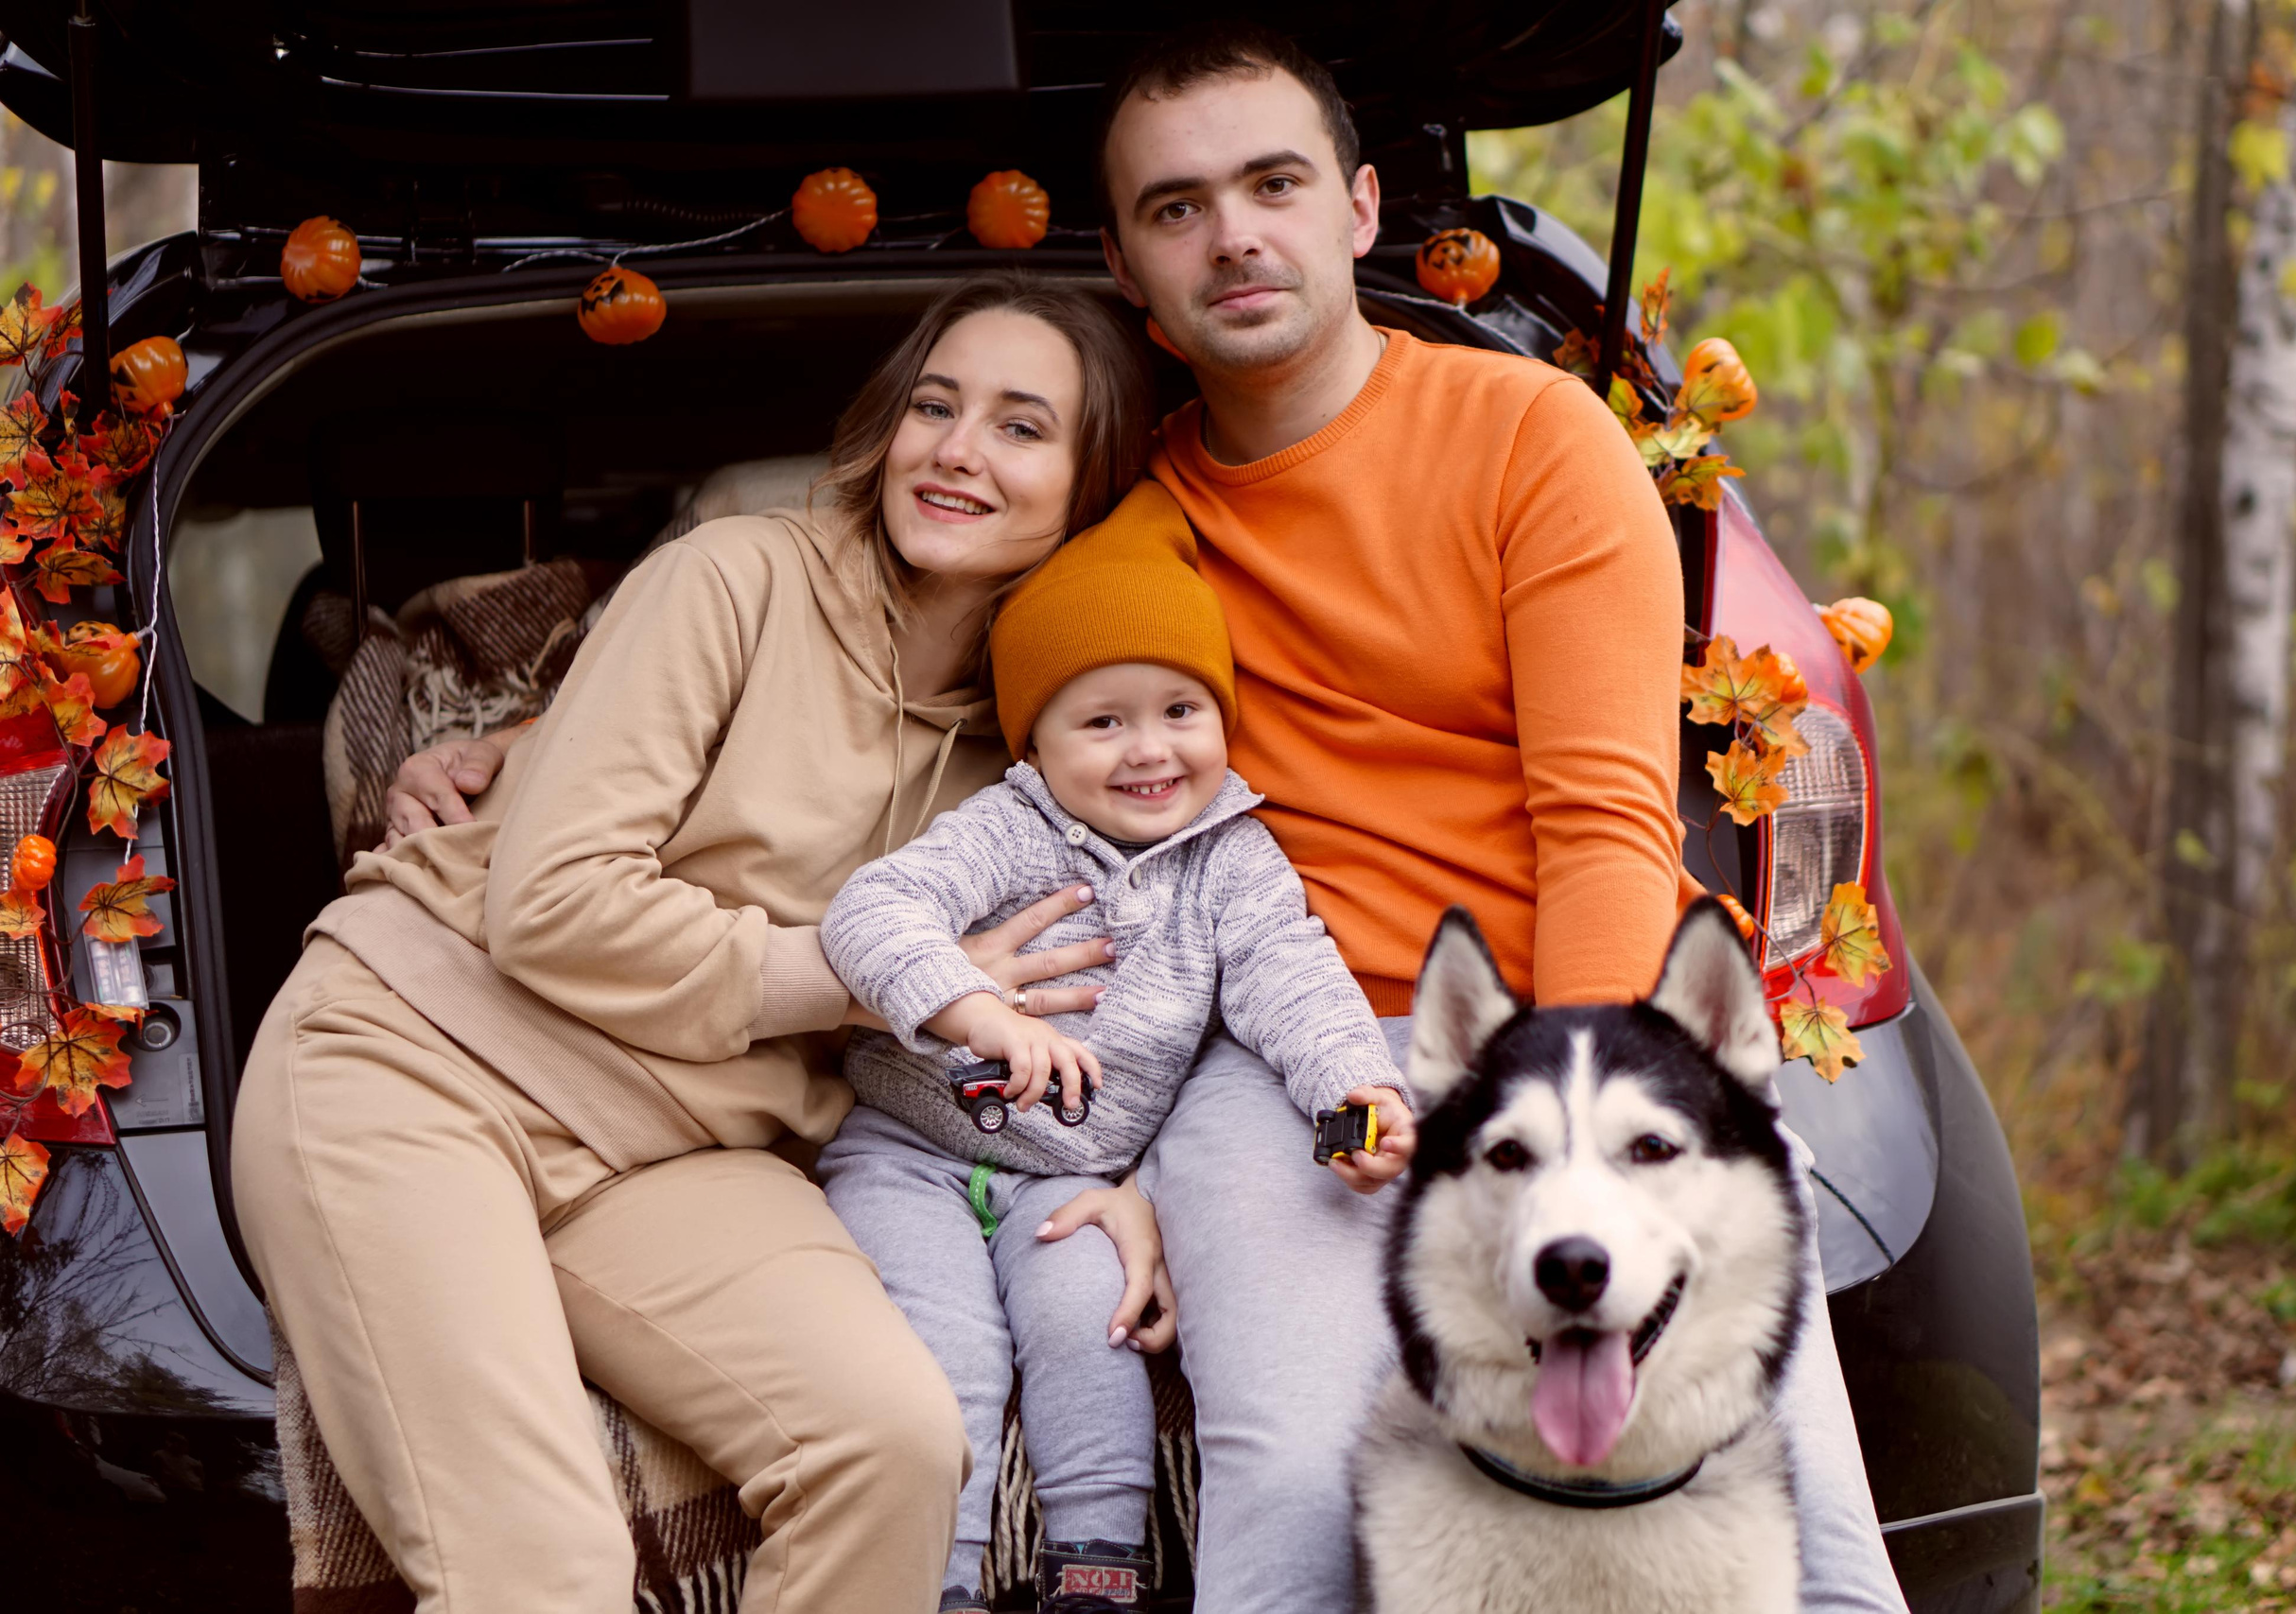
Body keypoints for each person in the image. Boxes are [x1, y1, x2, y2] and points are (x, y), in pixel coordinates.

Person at [386, 25, 1910, 1614]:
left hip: (1563, 1028)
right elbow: (876, 612)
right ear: (1124, 261)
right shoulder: (1121, 518)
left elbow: (1604, 822)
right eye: (1178, 208)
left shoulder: (1534, 438)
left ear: (1359, 207)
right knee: (1304, 1495)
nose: (1234, 234)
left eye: (1273, 184)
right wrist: (539, 730)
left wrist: (1559, 1145)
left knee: (1796, 1535)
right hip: (1252, 1053)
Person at [233, 273, 1157, 1614]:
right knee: (540, 1569)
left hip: (683, 1155)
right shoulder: (731, 578)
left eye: (1022, 427)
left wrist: (1141, 1171)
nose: (957, 447)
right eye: (935, 405)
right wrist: (885, 982)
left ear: (1095, 486)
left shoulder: (1042, 753)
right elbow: (551, 900)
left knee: (893, 1446)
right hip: (412, 1066)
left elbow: (1146, 982)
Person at [816, 488, 1412, 1612]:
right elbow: (870, 912)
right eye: (1103, 722)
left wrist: (1357, 1103)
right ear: (1033, 742)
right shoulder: (1009, 827)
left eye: (1182, 709)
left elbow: (1294, 986)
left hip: (1079, 1182)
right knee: (949, 1355)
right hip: (911, 1157)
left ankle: (1100, 1576)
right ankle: (932, 1585)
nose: (1151, 750)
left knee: (1090, 1336)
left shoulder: (1233, 858)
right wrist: (975, 1009)